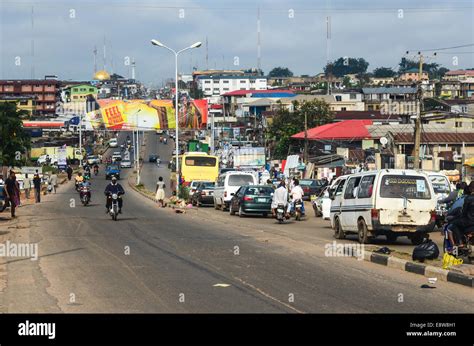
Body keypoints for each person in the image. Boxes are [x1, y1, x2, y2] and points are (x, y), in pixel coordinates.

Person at [448, 181, 474, 247]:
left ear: (471, 189)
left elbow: (464, 212)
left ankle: (460, 243)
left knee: (454, 224)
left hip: (469, 221)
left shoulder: (468, 198)